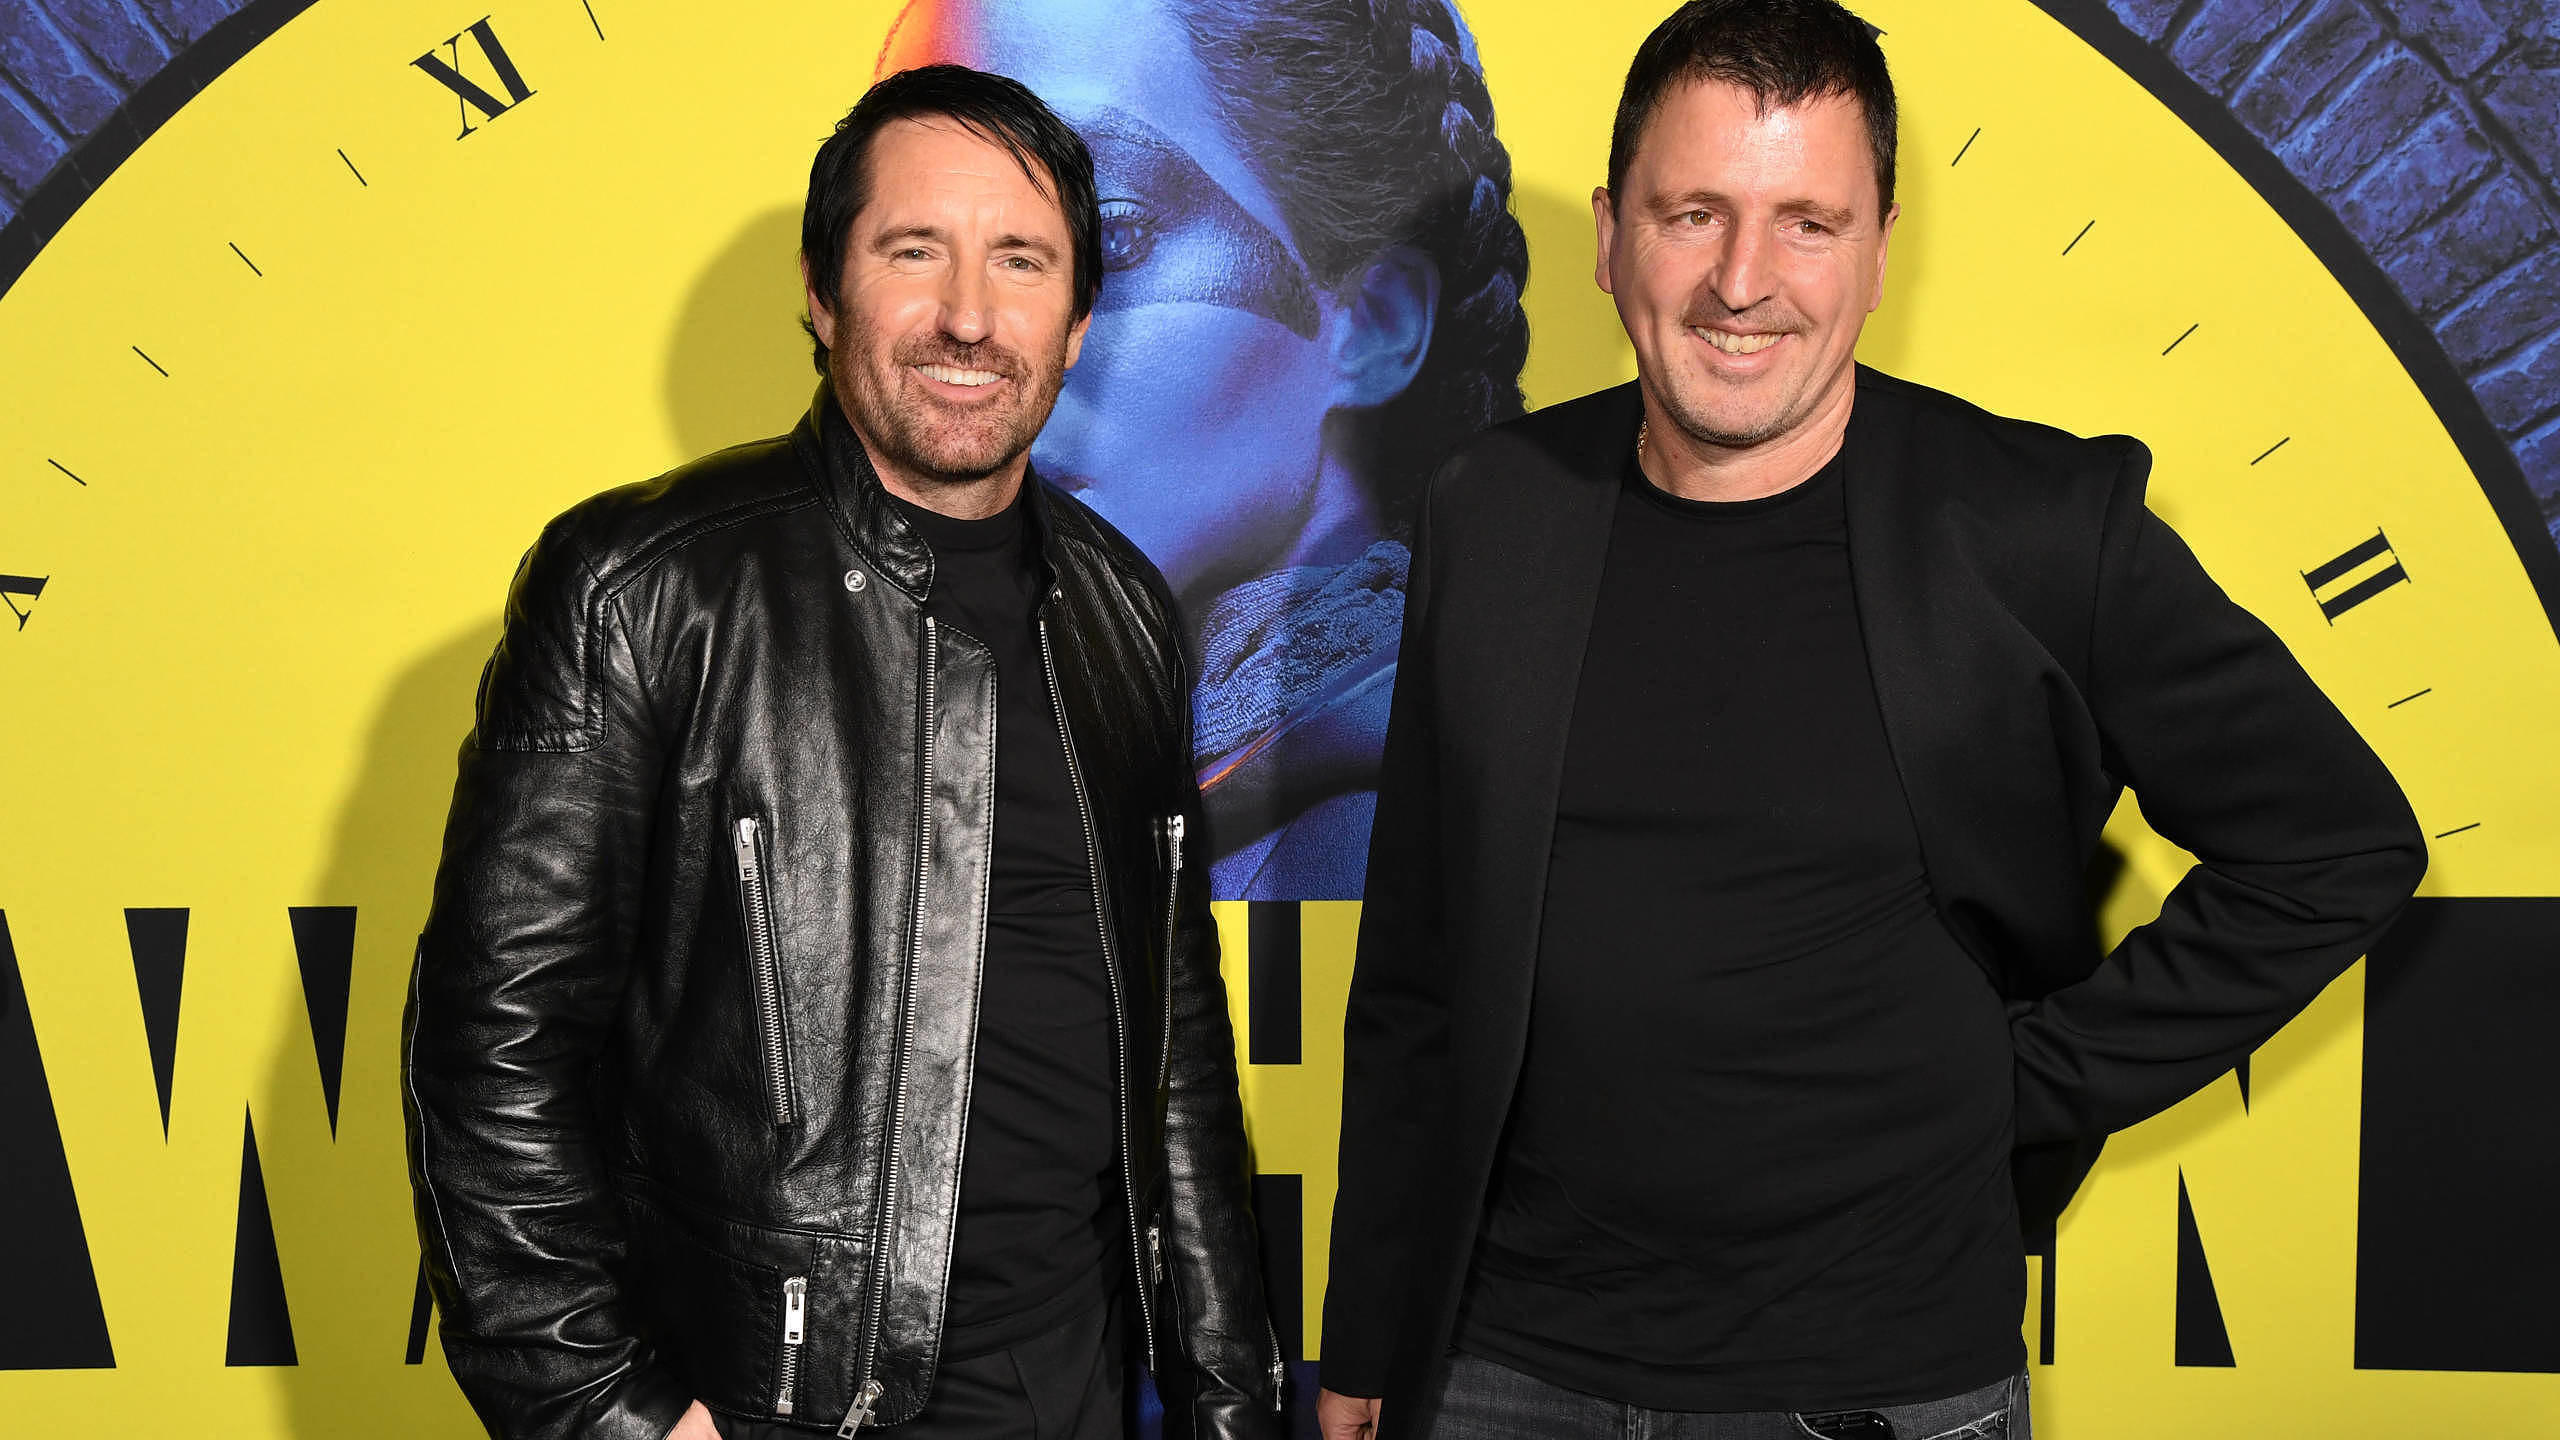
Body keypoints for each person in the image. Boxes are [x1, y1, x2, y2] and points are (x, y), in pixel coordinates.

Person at [1316, 2, 2429, 1438]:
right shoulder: (1494, 505)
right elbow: (1416, 971)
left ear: (1880, 247)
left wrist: (2017, 1085)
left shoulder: (2038, 528)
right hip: (1499, 1371)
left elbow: (2337, 846)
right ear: (1609, 236)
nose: (1742, 281)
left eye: (1808, 224)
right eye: (1693, 214)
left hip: (1875, 1386)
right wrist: (1367, 1333)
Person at [403, 64, 1284, 1440]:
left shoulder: (1121, 611)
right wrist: (613, 1414)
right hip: (773, 1406)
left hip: (1077, 1397)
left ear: (1076, 321)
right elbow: (493, 1055)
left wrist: (1231, 1400)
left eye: (1022, 262)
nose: (969, 316)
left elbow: (1175, 1056)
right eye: (913, 251)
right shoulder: (642, 590)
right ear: (824, 292)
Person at [879, 0, 1531, 899]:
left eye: (1112, 237)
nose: (971, 337)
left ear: (1373, 323)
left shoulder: (1379, 836)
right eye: (914, 248)